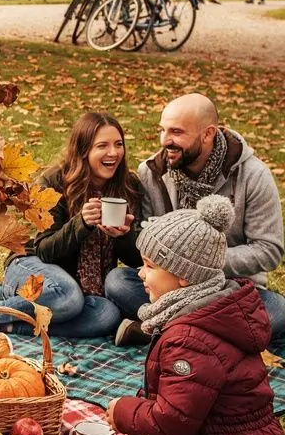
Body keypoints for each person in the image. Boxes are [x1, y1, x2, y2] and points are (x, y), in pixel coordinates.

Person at [93, 196, 285, 435]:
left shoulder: (191, 338)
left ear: (183, 275)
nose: (140, 273)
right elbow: (185, 399)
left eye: (150, 266)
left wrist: (122, 412)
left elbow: (173, 424)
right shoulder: (209, 309)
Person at [105, 93, 285, 343]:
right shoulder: (152, 172)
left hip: (228, 289)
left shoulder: (253, 175)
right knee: (117, 282)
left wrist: (200, 262)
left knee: (278, 311)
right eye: (163, 130)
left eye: (177, 132)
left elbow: (269, 250)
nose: (165, 140)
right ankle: (203, 336)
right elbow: (147, 251)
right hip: (168, 288)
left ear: (208, 133)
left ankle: (161, 329)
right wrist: (126, 235)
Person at [0, 112, 141, 339]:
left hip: (74, 285)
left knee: (107, 315)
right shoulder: (54, 182)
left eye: (118, 144)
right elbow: (44, 250)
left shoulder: (129, 186)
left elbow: (138, 261)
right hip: (30, 264)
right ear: (84, 151)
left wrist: (124, 236)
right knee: (68, 297)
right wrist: (81, 224)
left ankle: (3, 324)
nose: (113, 153)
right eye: (102, 146)